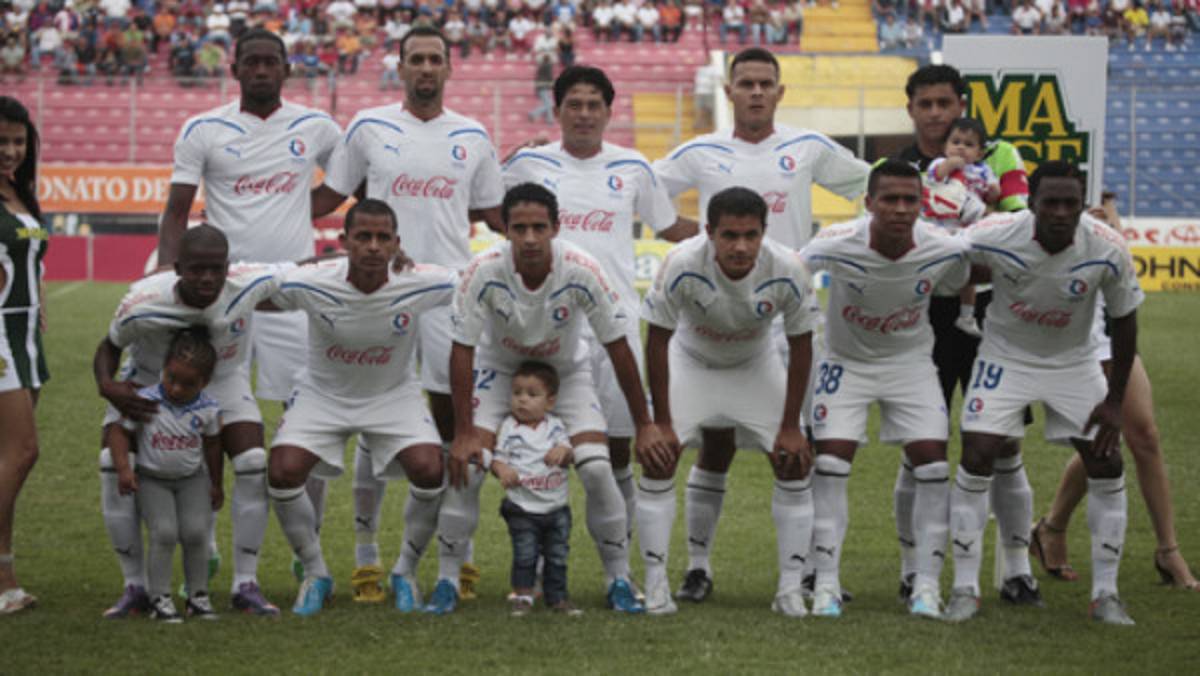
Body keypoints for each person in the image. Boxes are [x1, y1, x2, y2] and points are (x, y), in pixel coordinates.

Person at [652, 47, 869, 603]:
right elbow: (645, 192)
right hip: (712, 314)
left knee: (800, 448)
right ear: (728, 92)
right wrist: (696, 244)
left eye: (764, 83)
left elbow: (872, 187)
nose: (754, 91)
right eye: (744, 82)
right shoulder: (701, 150)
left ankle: (812, 575)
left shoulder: (807, 147)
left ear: (779, 91)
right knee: (715, 445)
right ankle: (698, 566)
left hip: (783, 311)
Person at [311, 26, 505, 602]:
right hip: (381, 291)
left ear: (448, 70)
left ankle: (458, 557)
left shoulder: (472, 135)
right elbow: (331, 198)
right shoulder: (369, 127)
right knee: (374, 423)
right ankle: (367, 561)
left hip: (448, 293)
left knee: (454, 427)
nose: (425, 68)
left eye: (435, 60)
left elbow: (495, 212)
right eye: (416, 59)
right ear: (400, 67)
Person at [151, 28, 341, 611]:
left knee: (303, 423)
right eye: (252, 61)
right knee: (201, 418)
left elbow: (346, 185)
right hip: (221, 295)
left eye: (271, 61)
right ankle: (203, 545)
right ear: (235, 69)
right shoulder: (204, 128)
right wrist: (164, 284)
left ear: (287, 68)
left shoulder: (317, 128)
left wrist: (293, 208)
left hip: (286, 295)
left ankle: (301, 541)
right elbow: (178, 211)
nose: (261, 69)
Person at [445, 183, 673, 615]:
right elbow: (462, 349)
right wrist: (462, 433)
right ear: (505, 231)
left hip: (566, 373)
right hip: (499, 372)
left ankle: (618, 579)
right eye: (519, 228)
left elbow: (619, 344)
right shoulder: (483, 269)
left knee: (597, 467)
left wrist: (644, 423)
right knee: (470, 466)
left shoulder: (582, 268)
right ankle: (445, 580)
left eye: (538, 228)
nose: (529, 238)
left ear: (556, 228)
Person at [503, 65, 686, 579]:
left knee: (619, 448)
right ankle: (534, 568)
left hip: (615, 324)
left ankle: (619, 565)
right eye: (573, 105)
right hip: (546, 324)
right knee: (536, 441)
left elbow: (670, 227)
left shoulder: (633, 167)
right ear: (556, 110)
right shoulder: (528, 163)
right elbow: (489, 209)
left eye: (593, 105)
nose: (584, 114)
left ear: (609, 111)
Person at [946, 162, 1144, 625]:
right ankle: (964, 588)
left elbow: (1127, 319)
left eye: (1069, 203)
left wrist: (1115, 402)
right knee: (978, 452)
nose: (1059, 212)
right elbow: (944, 258)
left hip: (1073, 362)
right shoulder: (994, 232)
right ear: (1030, 202)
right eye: (1049, 202)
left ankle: (1106, 595)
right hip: (1004, 358)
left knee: (1107, 460)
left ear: (1082, 204)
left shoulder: (1108, 246)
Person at [263, 200, 458, 616]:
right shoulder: (312, 281)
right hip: (322, 395)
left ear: (396, 244)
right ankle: (316, 574)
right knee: (281, 471)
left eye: (382, 238)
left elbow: (479, 283)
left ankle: (404, 572)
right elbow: (253, 290)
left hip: (393, 395)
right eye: (363, 237)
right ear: (343, 242)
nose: (373, 246)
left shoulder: (422, 282)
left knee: (430, 469)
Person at [637, 187, 818, 616]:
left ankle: (790, 589)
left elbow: (802, 347)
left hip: (755, 365)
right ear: (709, 233)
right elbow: (656, 342)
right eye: (729, 235)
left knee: (793, 462)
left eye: (750, 235)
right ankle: (661, 582)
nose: (740, 246)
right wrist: (659, 421)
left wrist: (792, 426)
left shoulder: (788, 268)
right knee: (659, 458)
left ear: (763, 233)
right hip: (692, 362)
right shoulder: (680, 263)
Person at [801, 161, 969, 620]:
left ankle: (926, 586)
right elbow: (795, 274)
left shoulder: (942, 248)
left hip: (909, 364)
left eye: (909, 200)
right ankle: (826, 583)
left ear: (922, 203)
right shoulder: (836, 243)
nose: (899, 209)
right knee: (831, 461)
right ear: (868, 203)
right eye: (889, 199)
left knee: (933, 466)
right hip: (845, 363)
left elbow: (963, 277)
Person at [95, 225, 287, 619]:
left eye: (216, 269)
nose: (207, 278)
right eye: (197, 269)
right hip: (151, 381)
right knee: (109, 464)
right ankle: (135, 587)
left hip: (224, 382)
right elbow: (108, 347)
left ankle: (245, 584)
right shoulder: (143, 300)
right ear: (178, 267)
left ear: (228, 267)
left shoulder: (248, 283)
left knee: (252, 461)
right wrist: (107, 386)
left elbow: (306, 268)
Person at [891, 63, 1030, 602]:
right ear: (910, 110)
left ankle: (1016, 570)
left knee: (1004, 444)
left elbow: (1018, 225)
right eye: (924, 105)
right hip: (920, 317)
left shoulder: (1001, 155)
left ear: (962, 104)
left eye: (944, 104)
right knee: (919, 447)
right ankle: (911, 570)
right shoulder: (896, 166)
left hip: (991, 315)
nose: (935, 114)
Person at [1031, 195, 1199, 592]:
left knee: (1144, 436)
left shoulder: (1100, 194)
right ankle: (1052, 528)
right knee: (1102, 441)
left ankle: (1166, 549)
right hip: (1070, 332)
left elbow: (1121, 259)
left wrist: (1106, 222)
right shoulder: (1050, 194)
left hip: (1109, 325)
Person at [109, 328, 224, 623]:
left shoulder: (209, 409)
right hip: (152, 479)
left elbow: (213, 445)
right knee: (164, 533)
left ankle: (198, 597)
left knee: (197, 533)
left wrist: (216, 483)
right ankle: (159, 598)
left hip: (192, 480)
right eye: (171, 378)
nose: (175, 389)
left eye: (188, 384)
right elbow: (119, 432)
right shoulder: (145, 401)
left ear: (205, 382)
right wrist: (124, 468)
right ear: (163, 369)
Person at [0, 97, 48, 615]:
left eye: (17, 141)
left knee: (7, 458)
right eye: (2, 142)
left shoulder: (19, 193)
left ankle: (6, 576)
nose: (11, 151)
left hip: (25, 337)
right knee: (22, 451)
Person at [491, 361, 582, 616]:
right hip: (522, 507)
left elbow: (569, 453)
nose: (522, 400)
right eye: (517, 393)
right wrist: (502, 470)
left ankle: (558, 598)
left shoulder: (555, 425)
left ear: (550, 402)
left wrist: (562, 451)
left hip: (556, 508)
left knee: (557, 556)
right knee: (525, 555)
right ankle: (523, 596)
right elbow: (497, 458)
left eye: (532, 395)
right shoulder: (509, 427)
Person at [928, 117, 1000, 338]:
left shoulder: (983, 170)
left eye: (969, 145)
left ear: (979, 153)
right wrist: (951, 164)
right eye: (955, 142)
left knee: (968, 276)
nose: (960, 147)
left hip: (970, 228)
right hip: (942, 225)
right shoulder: (939, 163)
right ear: (945, 147)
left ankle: (967, 316)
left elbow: (995, 192)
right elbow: (935, 176)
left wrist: (992, 192)